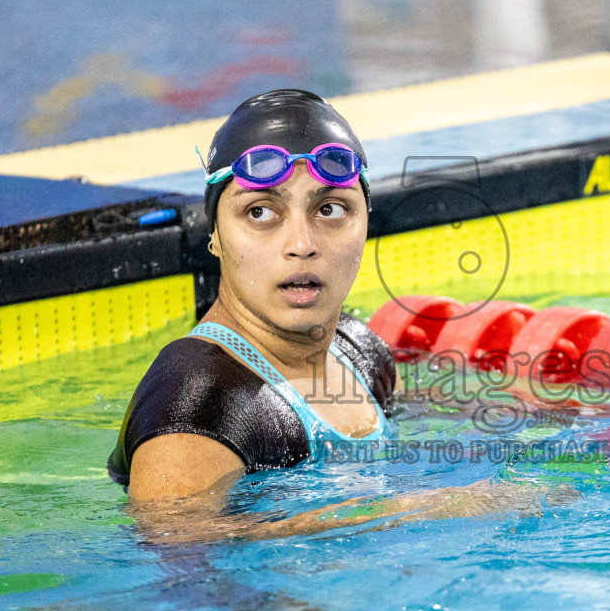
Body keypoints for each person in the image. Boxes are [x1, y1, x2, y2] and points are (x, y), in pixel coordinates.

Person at [113, 89, 559, 540]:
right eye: (261, 212)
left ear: (365, 223)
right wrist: (426, 508)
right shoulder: (198, 398)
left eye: (329, 209)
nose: (302, 243)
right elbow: (174, 541)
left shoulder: (355, 347)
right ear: (215, 236)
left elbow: (431, 411)